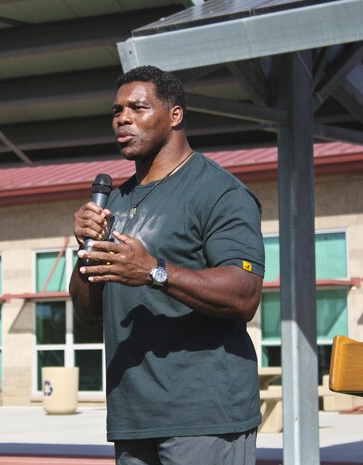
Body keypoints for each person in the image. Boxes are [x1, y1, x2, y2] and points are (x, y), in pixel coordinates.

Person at [69, 65, 265, 465]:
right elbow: (87, 314)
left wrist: (154, 271)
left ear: (175, 115)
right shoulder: (115, 203)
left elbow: (245, 295)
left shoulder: (220, 192)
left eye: (137, 108)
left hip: (203, 416)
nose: (122, 118)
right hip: (132, 416)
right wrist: (86, 249)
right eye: (117, 110)